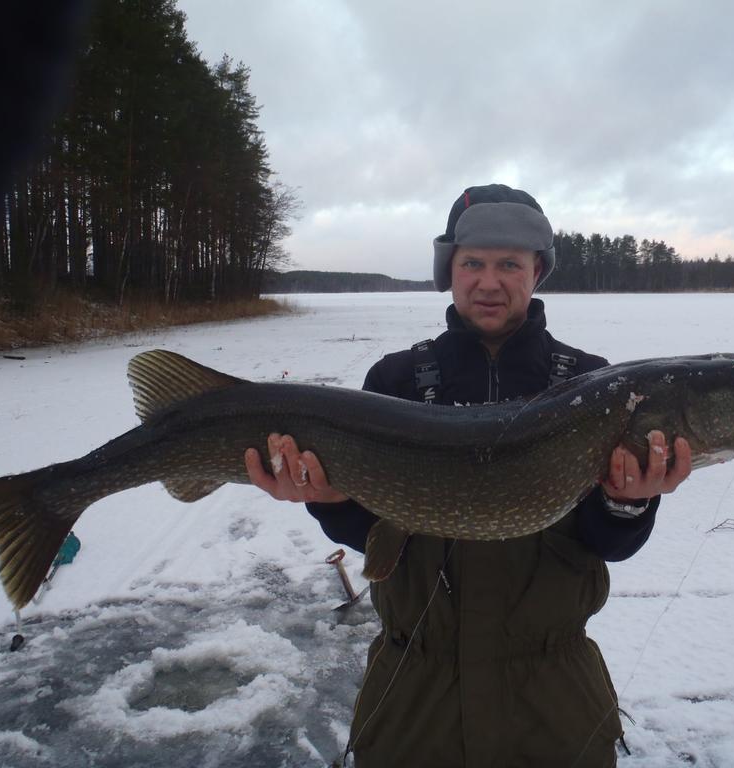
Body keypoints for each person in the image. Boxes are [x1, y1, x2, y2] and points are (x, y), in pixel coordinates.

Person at [245, 184, 691, 767]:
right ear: (448, 271)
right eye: (472, 262)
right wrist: (328, 499)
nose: (489, 281)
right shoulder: (397, 380)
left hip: (554, 698)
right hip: (414, 696)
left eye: (510, 264)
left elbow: (606, 543)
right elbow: (375, 536)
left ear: (538, 272)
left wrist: (629, 504)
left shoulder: (592, 385)